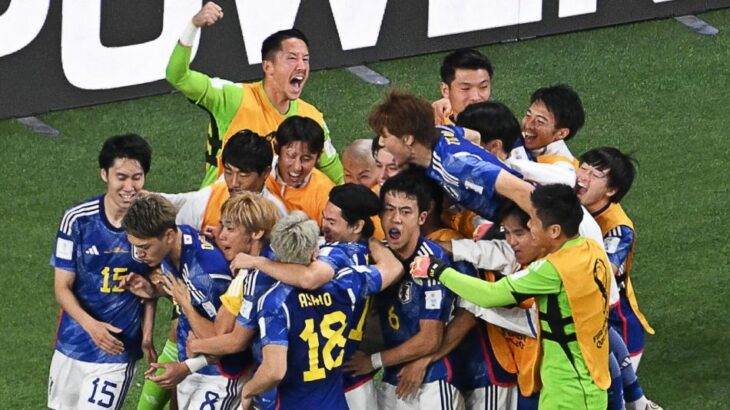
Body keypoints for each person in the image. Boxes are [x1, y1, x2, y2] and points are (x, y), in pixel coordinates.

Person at [412, 184, 612, 409]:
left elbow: (492, 295)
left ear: (554, 231)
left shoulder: (554, 269)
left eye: (533, 221)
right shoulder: (591, 248)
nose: (529, 225)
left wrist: (439, 271)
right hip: (576, 380)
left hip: (571, 391)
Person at [219, 183, 382, 409]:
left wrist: (258, 262)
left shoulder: (279, 298)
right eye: (324, 218)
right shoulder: (352, 278)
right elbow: (394, 269)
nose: (324, 226)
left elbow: (309, 279)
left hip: (310, 384)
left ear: (357, 226)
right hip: (343, 380)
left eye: (332, 221)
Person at [166, 1, 343, 187]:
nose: (301, 66)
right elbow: (178, 76)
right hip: (220, 206)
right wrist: (193, 25)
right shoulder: (234, 98)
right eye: (292, 58)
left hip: (274, 210)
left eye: (305, 59)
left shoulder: (312, 118)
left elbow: (337, 177)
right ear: (268, 67)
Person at [240, 211, 404, 409]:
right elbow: (394, 268)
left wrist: (248, 390)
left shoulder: (274, 301)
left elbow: (275, 371)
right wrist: (372, 240)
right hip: (334, 403)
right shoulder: (345, 285)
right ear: (315, 251)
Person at [48, 134, 155, 410]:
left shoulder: (151, 225)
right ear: (104, 174)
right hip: (72, 345)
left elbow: (161, 285)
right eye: (121, 177)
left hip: (117, 352)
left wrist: (151, 295)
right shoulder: (77, 220)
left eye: (137, 177)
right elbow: (62, 287)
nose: (130, 187)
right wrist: (92, 327)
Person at [344, 168, 462, 410]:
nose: (395, 218)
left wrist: (372, 361)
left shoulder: (431, 262)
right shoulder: (379, 255)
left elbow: (430, 338)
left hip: (431, 380)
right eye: (389, 209)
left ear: (421, 217)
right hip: (392, 377)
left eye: (405, 211)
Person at [122, 195, 238, 409]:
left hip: (217, 377)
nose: (139, 254)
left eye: (145, 247)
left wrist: (185, 304)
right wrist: (154, 290)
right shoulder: (176, 240)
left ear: (168, 235)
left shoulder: (205, 276)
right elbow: (184, 295)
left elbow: (223, 341)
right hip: (189, 366)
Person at [576, 148, 654, 369]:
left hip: (618, 326)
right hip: (588, 322)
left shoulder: (618, 229)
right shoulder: (575, 198)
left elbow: (602, 273)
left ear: (610, 190)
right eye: (583, 167)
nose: (583, 176)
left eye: (595, 174)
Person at [161, 130, 287, 232]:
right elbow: (176, 243)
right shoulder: (204, 200)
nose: (233, 183)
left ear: (265, 173)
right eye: (228, 172)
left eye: (243, 175)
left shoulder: (276, 214)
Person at [507, 85, 585, 187]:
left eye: (540, 121)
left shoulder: (565, 167)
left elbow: (568, 179)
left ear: (561, 133)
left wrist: (507, 162)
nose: (528, 125)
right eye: (528, 115)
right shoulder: (522, 138)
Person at [265, 116, 335, 225]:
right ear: (276, 147)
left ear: (319, 157)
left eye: (306, 159)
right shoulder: (257, 176)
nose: (297, 167)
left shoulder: (326, 194)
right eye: (291, 155)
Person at [433, 48, 494, 125]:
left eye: (483, 86)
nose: (476, 97)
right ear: (445, 90)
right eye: (465, 88)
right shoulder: (432, 128)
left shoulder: (502, 125)